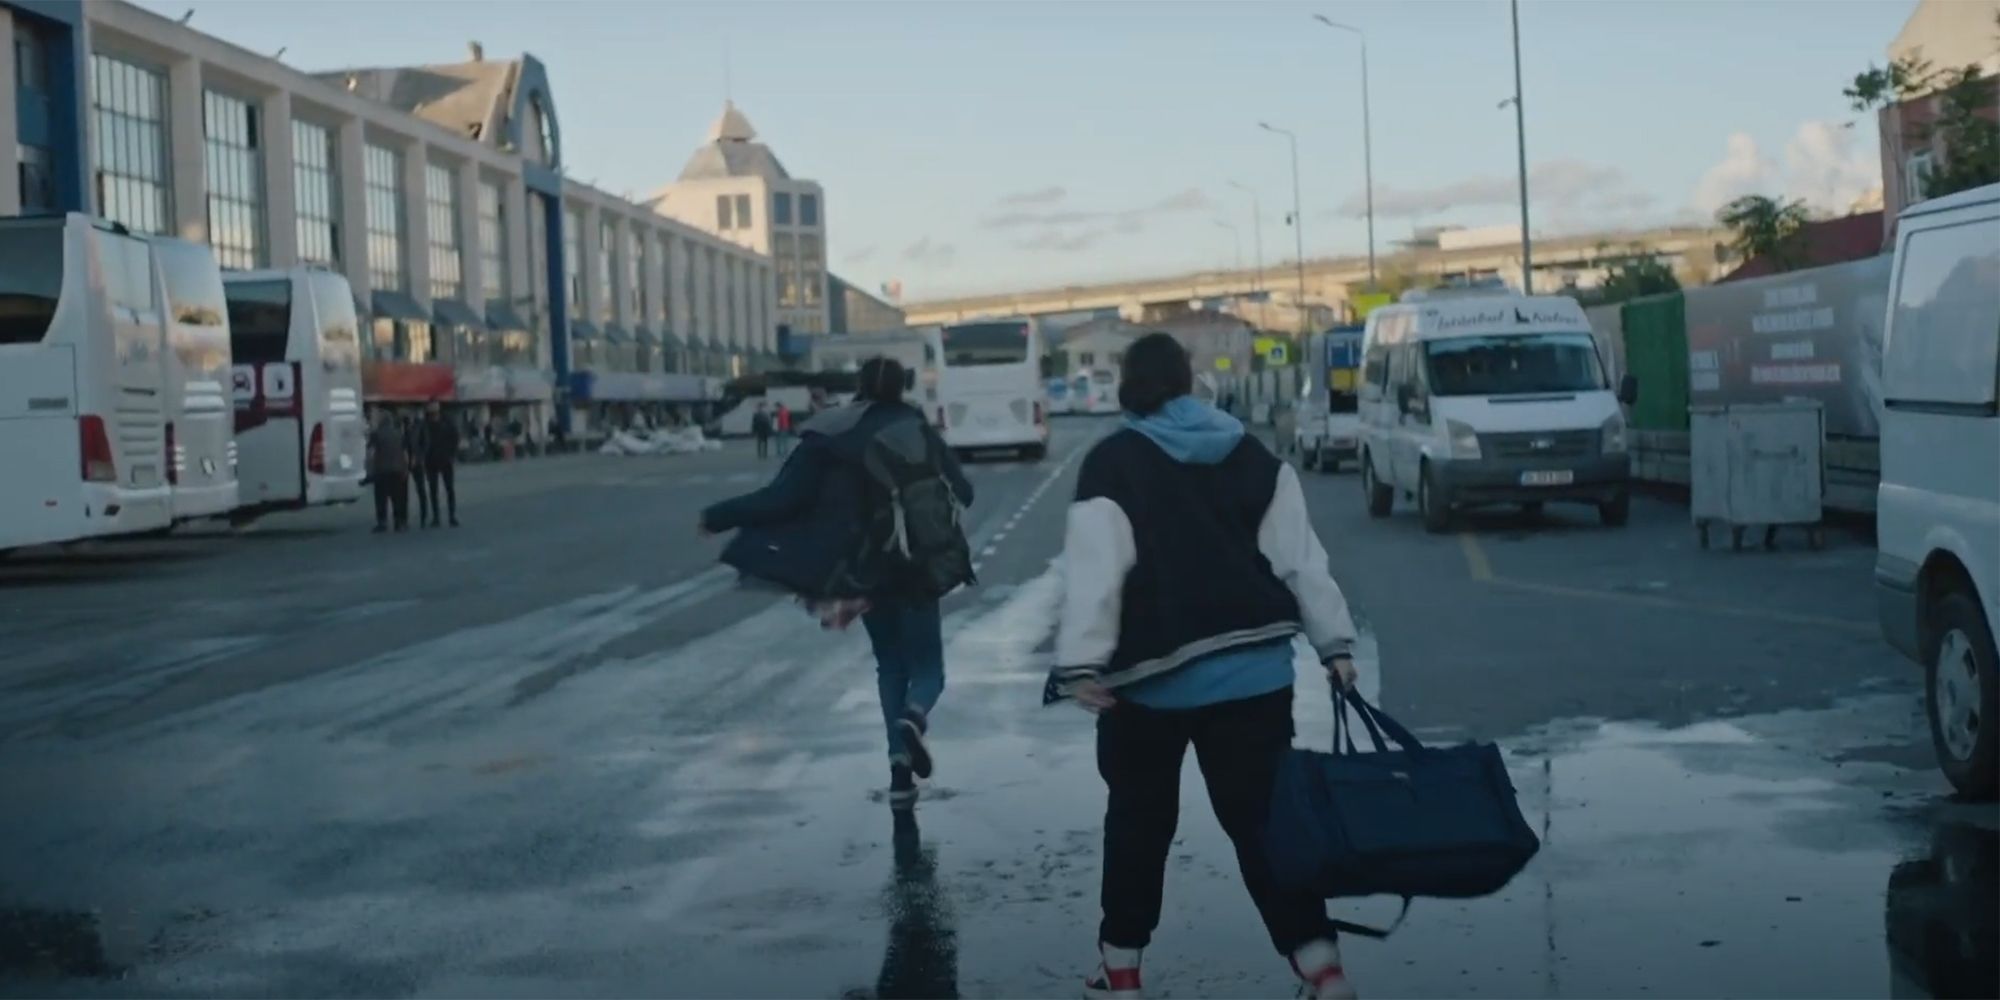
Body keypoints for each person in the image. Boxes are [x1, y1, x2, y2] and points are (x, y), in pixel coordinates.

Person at [1044, 332, 1362, 1000]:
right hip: (1256, 678)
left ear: (1130, 386)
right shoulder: (1253, 457)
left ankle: (1123, 970)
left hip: (1150, 689)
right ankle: (1321, 966)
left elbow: (1097, 575)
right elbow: (1302, 560)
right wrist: (1335, 644)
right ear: (1189, 382)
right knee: (1265, 825)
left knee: (1139, 824)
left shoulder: (1113, 463)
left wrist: (1080, 664)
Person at [701, 358, 973, 809]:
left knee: (890, 664)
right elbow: (964, 491)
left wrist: (718, 516)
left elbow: (780, 498)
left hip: (865, 571)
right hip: (920, 567)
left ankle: (899, 774)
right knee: (927, 668)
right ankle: (916, 717)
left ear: (860, 387)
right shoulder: (916, 426)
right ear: (902, 387)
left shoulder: (831, 432)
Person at [365, 411, 411, 533]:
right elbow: (405, 453)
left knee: (381, 498)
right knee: (397, 497)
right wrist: (405, 468)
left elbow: (371, 452)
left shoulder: (376, 434)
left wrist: (369, 470)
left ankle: (382, 522)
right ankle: (398, 521)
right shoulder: (398, 434)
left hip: (381, 470)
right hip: (397, 469)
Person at [422, 402, 461, 527]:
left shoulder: (447, 422)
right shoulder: (425, 424)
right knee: (433, 490)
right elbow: (420, 440)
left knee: (449, 489)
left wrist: (451, 454)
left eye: (434, 407)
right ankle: (436, 517)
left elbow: (455, 438)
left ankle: (452, 516)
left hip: (445, 459)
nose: (432, 411)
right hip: (431, 460)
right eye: (430, 408)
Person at [403, 412, 433, 529]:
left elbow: (426, 444)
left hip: (417, 462)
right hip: (404, 462)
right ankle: (403, 519)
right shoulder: (403, 427)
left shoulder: (420, 427)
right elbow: (403, 443)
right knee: (402, 492)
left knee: (421, 489)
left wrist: (419, 457)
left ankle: (423, 516)